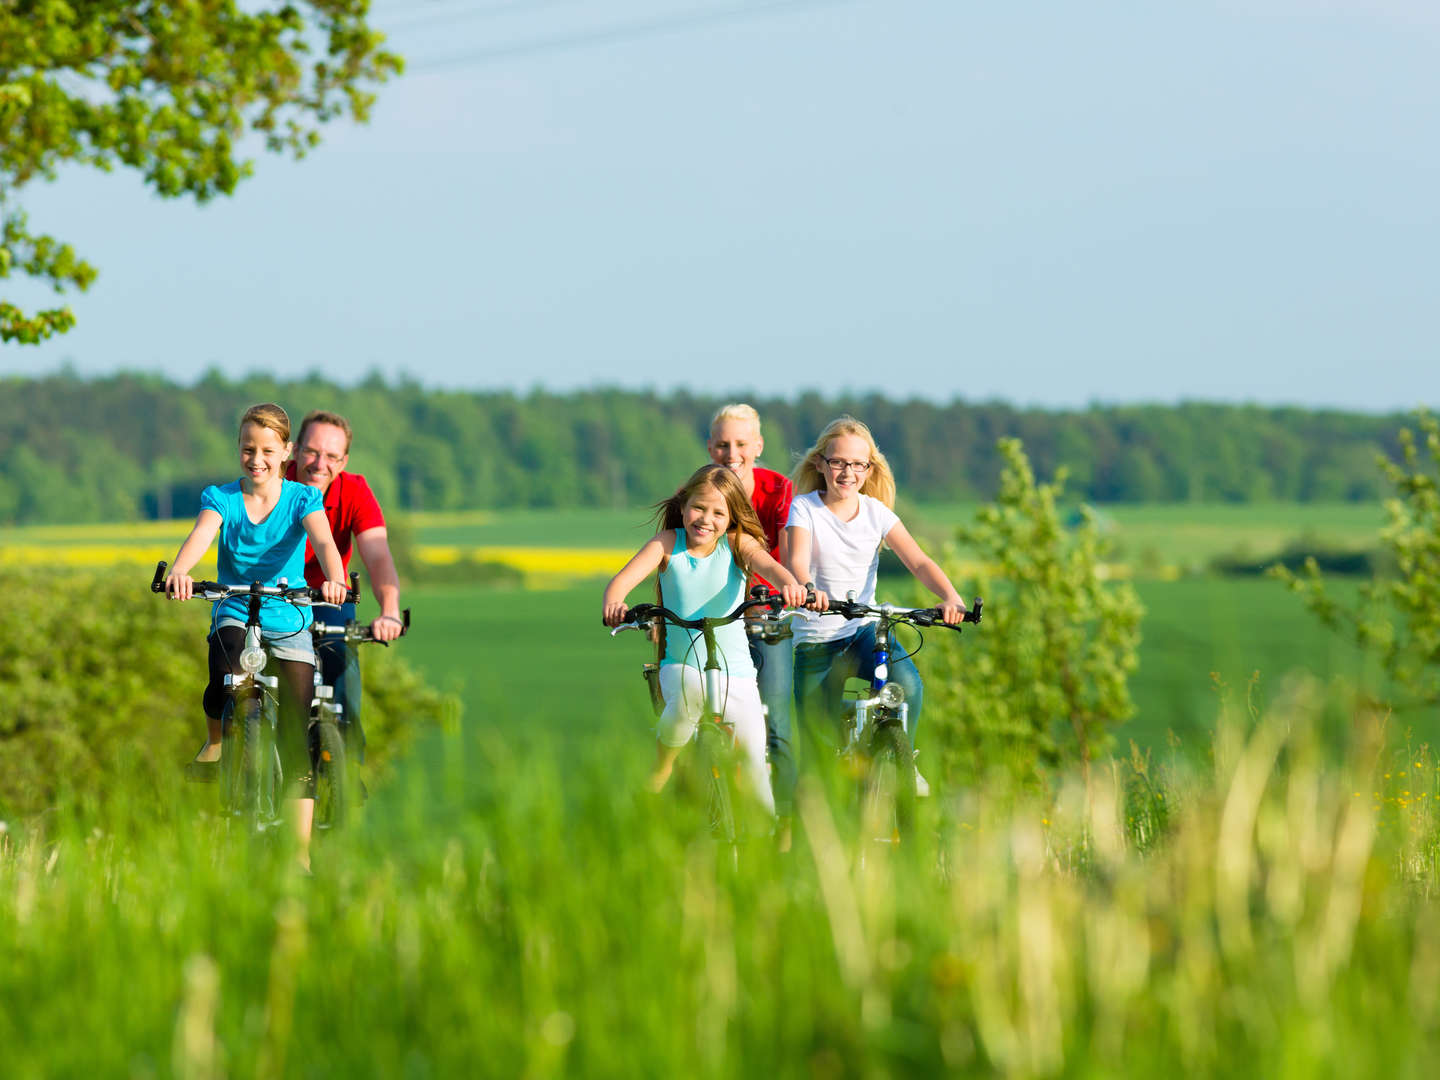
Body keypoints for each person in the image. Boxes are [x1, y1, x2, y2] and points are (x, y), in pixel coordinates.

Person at [164, 403, 349, 870]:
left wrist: (334, 577)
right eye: (248, 449)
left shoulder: (303, 499)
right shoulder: (222, 497)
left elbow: (325, 542)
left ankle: (300, 854)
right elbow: (202, 534)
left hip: (289, 616)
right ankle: (216, 742)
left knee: (296, 732)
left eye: (268, 450)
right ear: (238, 451)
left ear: (286, 452)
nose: (257, 459)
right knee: (222, 674)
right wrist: (182, 571)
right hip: (235, 606)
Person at [602, 464, 807, 812]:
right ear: (683, 507)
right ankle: (664, 763)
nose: (705, 519)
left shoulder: (738, 543)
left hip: (736, 671)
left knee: (757, 768)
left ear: (731, 518)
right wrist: (614, 602)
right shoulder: (667, 544)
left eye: (718, 512)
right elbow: (621, 581)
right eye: (698, 508)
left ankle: (767, 843)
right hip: (681, 665)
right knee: (686, 701)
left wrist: (789, 583)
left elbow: (768, 565)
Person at [785, 416, 967, 797]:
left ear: (869, 469)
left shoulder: (876, 513)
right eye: (838, 462)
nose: (847, 472)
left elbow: (918, 561)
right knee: (819, 752)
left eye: (857, 465)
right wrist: (807, 588)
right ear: (821, 463)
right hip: (816, 638)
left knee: (908, 686)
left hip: (862, 629)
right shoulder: (805, 508)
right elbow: (798, 561)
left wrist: (950, 597)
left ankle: (904, 758)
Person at [285, 410, 404, 766]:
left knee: (341, 664)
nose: (320, 464)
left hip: (328, 595)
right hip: (276, 595)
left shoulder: (353, 491)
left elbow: (378, 556)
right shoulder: (272, 482)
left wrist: (390, 611)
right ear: (294, 451)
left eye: (332, 456)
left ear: (344, 461)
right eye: (311, 452)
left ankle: (346, 762)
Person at [705, 403, 800, 840]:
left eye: (741, 444)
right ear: (710, 447)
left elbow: (780, 553)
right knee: (701, 714)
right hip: (714, 616)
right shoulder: (701, 491)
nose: (732, 453)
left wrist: (787, 589)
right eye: (723, 444)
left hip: (765, 612)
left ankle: (785, 824)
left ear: (757, 446)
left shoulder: (778, 489)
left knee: (776, 718)